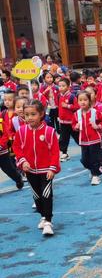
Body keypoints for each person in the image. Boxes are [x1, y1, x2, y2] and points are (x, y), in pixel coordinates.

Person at [13, 100, 60, 236]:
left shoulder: (49, 131)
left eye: (33, 114)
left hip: (46, 171)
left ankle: (48, 221)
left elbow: (55, 151)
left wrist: (52, 168)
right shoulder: (21, 132)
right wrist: (23, 161)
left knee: (46, 194)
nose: (29, 118)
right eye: (27, 115)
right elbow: (16, 147)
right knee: (36, 196)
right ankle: (43, 216)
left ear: (41, 114)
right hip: (30, 171)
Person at [72, 91, 102, 186]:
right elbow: (73, 125)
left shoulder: (95, 112)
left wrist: (98, 126)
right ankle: (93, 170)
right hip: (83, 141)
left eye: (85, 100)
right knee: (84, 160)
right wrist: (76, 126)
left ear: (89, 101)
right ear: (77, 101)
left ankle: (95, 175)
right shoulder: (76, 114)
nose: (83, 102)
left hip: (95, 140)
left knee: (94, 159)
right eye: (80, 100)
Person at [0, 105, 23, 190]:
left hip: (2, 152)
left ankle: (18, 178)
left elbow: (5, 135)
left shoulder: (0, 122)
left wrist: (1, 145)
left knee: (8, 169)